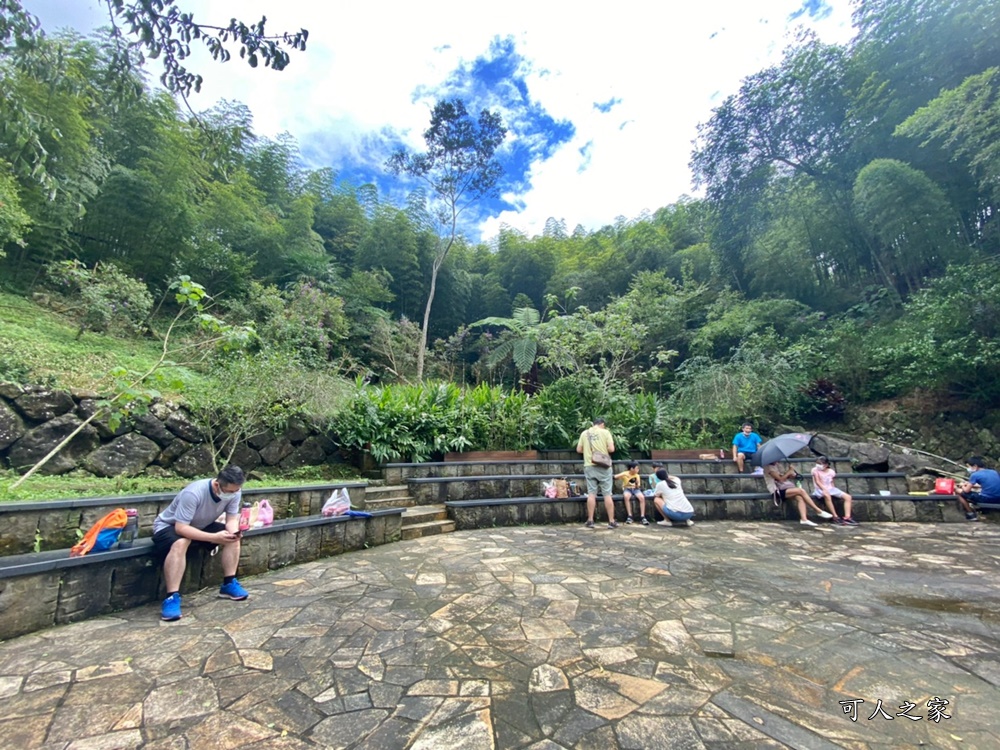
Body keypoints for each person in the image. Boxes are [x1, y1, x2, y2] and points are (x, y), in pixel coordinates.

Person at [152, 465, 250, 621]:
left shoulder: (235, 492)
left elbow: (231, 519)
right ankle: (171, 597)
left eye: (236, 491)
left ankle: (229, 583)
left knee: (233, 539)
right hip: (170, 526)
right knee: (181, 542)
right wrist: (214, 538)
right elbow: (181, 527)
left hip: (201, 525)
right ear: (217, 485)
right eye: (230, 491)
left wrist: (233, 533)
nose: (234, 494)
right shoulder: (193, 493)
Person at [576, 417, 617, 529]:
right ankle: (611, 521)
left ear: (593, 424)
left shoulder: (585, 433)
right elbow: (611, 449)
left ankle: (590, 520)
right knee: (607, 494)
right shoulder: (605, 432)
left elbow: (579, 450)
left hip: (589, 465)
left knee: (591, 493)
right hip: (603, 466)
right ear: (602, 424)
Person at [765, 461, 834, 527]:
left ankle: (804, 519)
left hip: (785, 488)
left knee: (799, 497)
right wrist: (789, 471)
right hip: (777, 491)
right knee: (801, 491)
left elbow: (784, 476)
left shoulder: (777, 466)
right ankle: (817, 510)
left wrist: (791, 474)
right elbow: (780, 479)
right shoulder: (768, 468)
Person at [810, 456, 859, 526]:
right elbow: (817, 482)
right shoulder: (815, 470)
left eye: (820, 463)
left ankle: (847, 517)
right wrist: (824, 489)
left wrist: (833, 489)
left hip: (831, 488)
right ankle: (835, 516)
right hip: (820, 489)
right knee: (827, 496)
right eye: (817, 463)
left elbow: (832, 482)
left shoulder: (831, 472)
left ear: (826, 464)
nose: (818, 465)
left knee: (848, 497)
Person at [957, 455, 1000, 521]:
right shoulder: (993, 472)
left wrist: (962, 485)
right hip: (998, 499)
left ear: (975, 466)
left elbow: (966, 491)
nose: (968, 469)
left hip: (986, 499)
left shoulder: (975, 475)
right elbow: (988, 485)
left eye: (969, 467)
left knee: (958, 491)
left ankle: (970, 514)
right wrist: (972, 485)